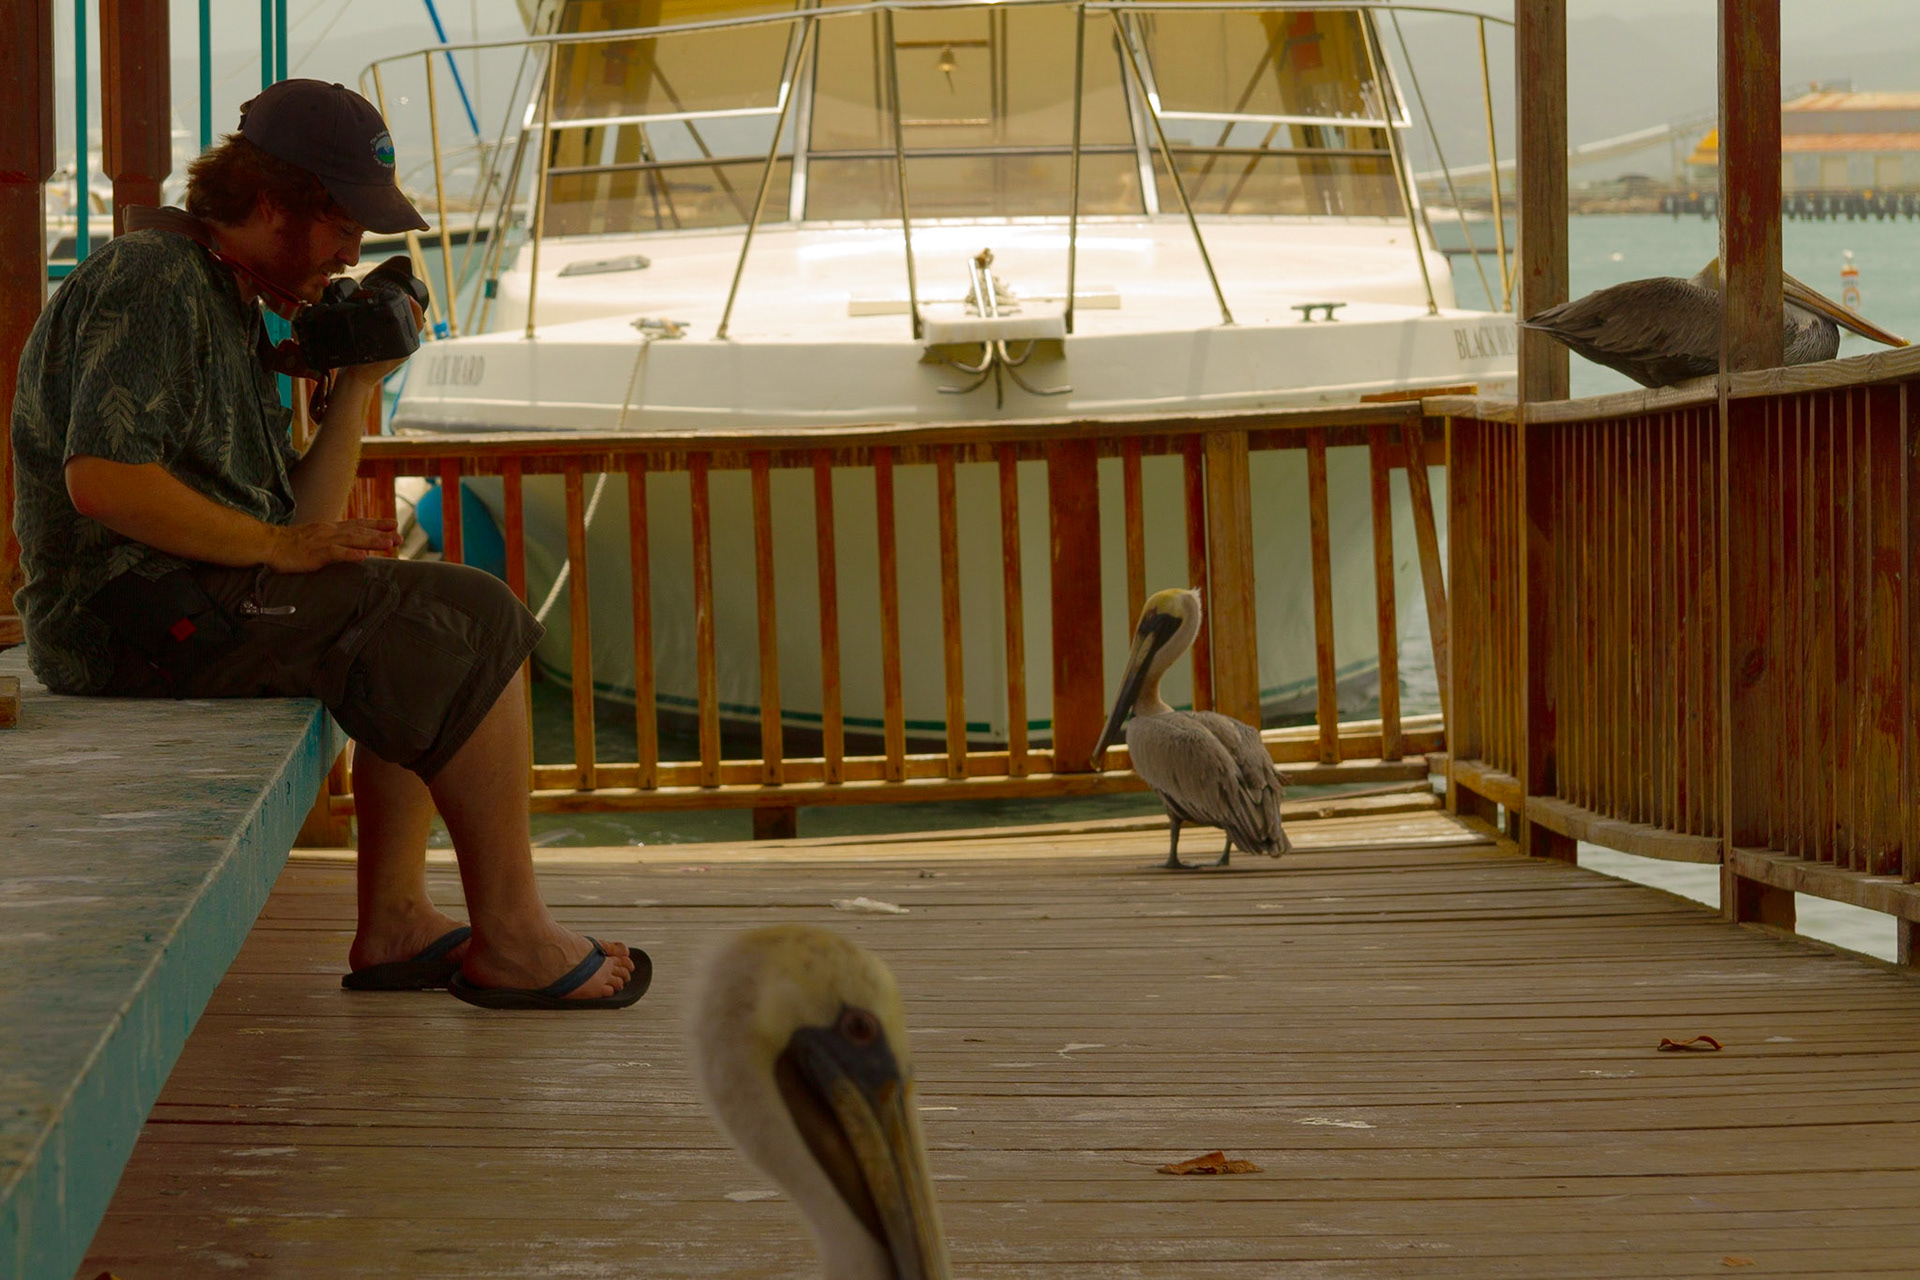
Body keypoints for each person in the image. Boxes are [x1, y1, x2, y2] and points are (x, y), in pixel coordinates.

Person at [9, 80, 646, 1010]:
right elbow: (103, 480)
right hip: (127, 615)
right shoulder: (151, 279)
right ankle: (511, 937)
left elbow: (303, 518)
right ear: (269, 203)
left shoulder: (228, 299)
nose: (356, 252)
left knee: (416, 612)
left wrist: (353, 387)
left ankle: (397, 923)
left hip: (185, 601)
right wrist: (275, 545)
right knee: (474, 615)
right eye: (345, 224)